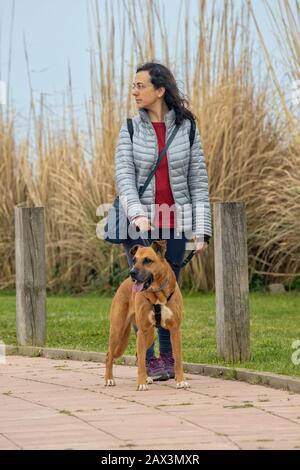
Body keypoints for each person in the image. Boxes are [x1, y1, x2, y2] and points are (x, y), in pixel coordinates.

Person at [114, 62, 211, 380]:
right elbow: (125, 179)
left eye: (140, 85)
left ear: (160, 90)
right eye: (133, 85)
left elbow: (198, 182)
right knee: (143, 287)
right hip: (139, 224)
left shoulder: (188, 129)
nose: (134, 91)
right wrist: (138, 215)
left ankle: (169, 358)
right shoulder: (129, 128)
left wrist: (201, 229)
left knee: (169, 290)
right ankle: (150, 359)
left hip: (177, 222)